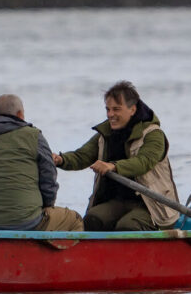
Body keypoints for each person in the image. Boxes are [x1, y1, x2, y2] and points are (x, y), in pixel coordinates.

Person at [52, 81, 179, 231]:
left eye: (116, 109)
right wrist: (60, 160)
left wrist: (113, 166)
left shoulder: (153, 134)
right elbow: (81, 156)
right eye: (108, 109)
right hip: (118, 202)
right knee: (91, 220)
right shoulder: (105, 134)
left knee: (128, 227)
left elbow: (144, 163)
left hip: (152, 205)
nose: (110, 115)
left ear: (132, 109)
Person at [0, 94, 84, 231]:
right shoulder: (34, 137)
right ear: (20, 114)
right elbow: (49, 182)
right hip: (27, 221)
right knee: (75, 220)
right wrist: (44, 207)